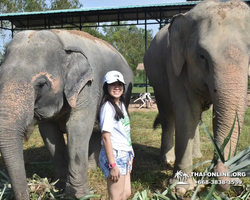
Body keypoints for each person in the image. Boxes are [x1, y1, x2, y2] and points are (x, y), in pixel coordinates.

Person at [99, 70, 134, 200]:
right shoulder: (108, 107)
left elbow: (124, 131)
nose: (117, 87)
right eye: (113, 84)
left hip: (124, 153)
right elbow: (105, 137)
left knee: (125, 194)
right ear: (106, 87)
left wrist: (130, 150)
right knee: (116, 196)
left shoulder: (120, 105)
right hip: (115, 155)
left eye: (120, 84)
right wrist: (112, 165)